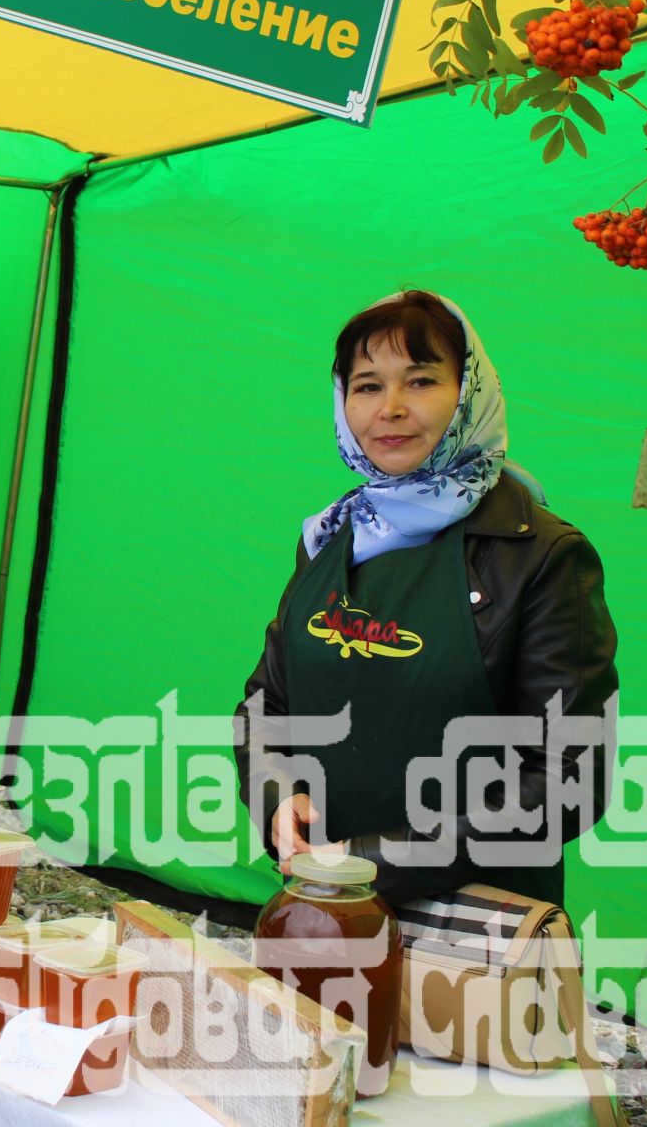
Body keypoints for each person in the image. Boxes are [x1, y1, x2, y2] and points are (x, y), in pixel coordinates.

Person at [235, 290, 616, 906]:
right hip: (322, 901)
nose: (389, 409)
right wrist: (279, 798)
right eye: (365, 386)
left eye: (420, 381)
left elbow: (571, 777)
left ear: (470, 393)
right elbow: (266, 705)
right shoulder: (332, 537)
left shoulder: (541, 554)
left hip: (473, 934)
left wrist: (373, 861)